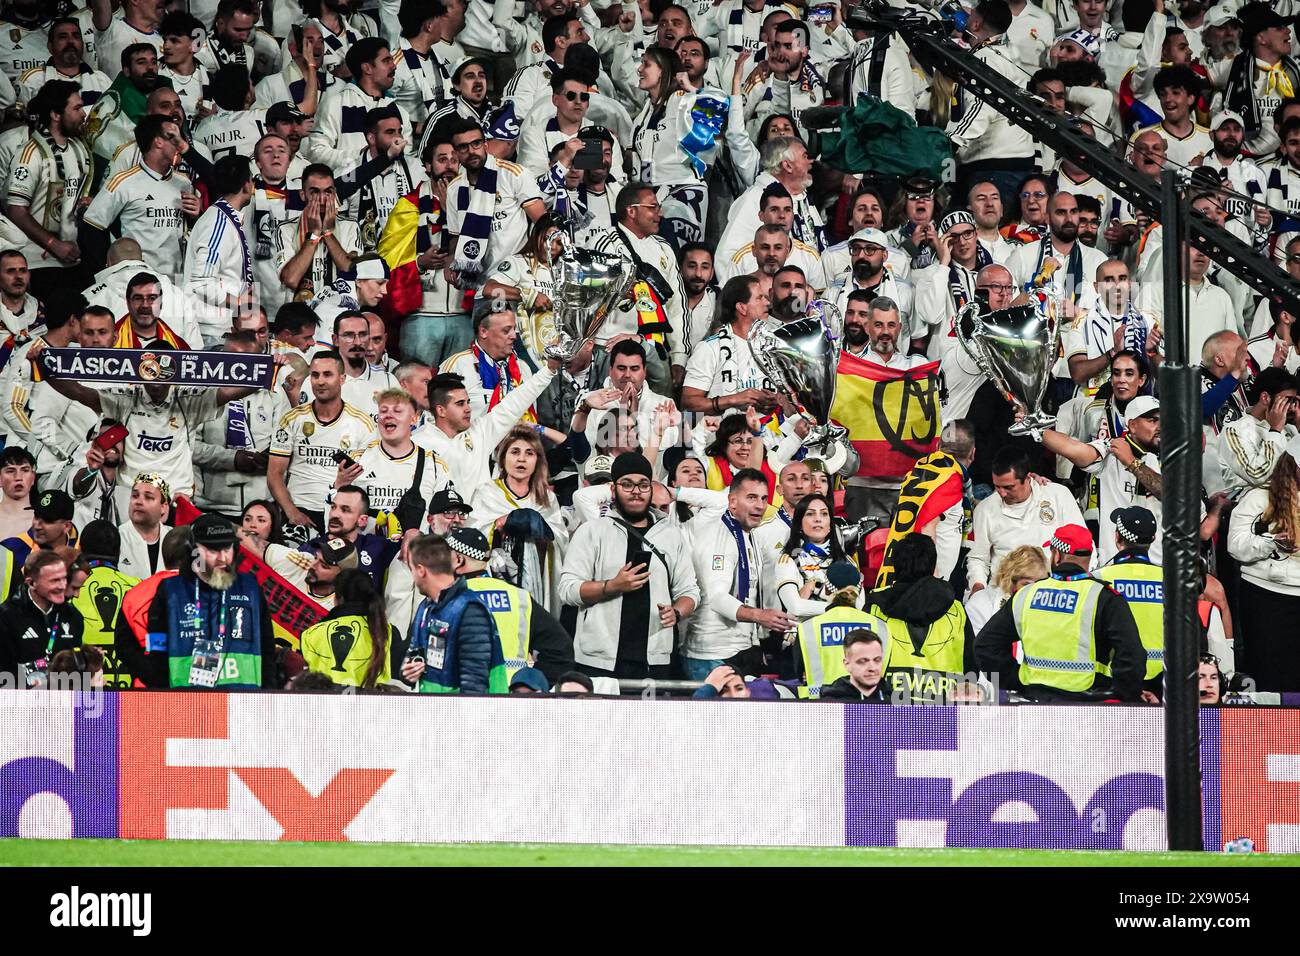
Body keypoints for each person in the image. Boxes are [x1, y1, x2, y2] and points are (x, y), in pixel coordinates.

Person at [560, 451, 698, 679]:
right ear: (613, 490)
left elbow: (690, 592)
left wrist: (677, 612)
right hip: (598, 661)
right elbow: (567, 590)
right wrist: (612, 586)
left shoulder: (671, 535)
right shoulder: (592, 531)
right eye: (627, 484)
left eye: (643, 485)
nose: (636, 491)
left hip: (656, 659)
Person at [975, 522, 1145, 702]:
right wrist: (1124, 694)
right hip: (1091, 703)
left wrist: (1016, 680)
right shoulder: (1105, 597)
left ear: (1056, 556)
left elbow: (985, 646)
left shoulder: (1026, 594)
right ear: (1088, 557)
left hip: (1036, 701)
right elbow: (1132, 656)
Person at [119, 513, 277, 689]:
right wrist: (161, 686)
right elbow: (154, 650)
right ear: (194, 552)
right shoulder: (170, 591)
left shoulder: (250, 587)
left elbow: (267, 648)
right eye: (212, 551)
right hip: (186, 705)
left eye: (227, 549)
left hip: (243, 704)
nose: (222, 558)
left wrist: (267, 692)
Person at [686, 467, 794, 678]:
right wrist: (761, 616)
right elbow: (717, 599)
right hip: (712, 654)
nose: (760, 506)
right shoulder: (720, 536)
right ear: (732, 501)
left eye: (764, 498)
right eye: (752, 497)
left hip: (741, 648)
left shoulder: (748, 532)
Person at [1038, 395, 1163, 566]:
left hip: (1159, 568)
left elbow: (1169, 494)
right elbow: (1073, 449)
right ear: (1133, 425)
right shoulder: (1112, 449)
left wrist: (1131, 462)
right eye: (1153, 421)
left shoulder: (1173, 457)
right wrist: (1037, 430)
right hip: (1115, 563)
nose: (1160, 427)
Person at [447, 525, 574, 684]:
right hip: (512, 699)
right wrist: (532, 685)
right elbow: (560, 651)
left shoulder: (446, 599)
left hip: (460, 696)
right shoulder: (519, 597)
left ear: (459, 560)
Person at [268, 350, 377, 531]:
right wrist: (292, 512)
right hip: (299, 510)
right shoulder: (291, 419)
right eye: (315, 375)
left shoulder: (363, 424)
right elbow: (274, 474)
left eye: (328, 374)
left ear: (342, 379)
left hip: (341, 511)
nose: (320, 381)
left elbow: (368, 480)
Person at [866, 533, 975, 705]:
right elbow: (972, 668)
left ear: (895, 566)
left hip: (887, 709)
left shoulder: (874, 607)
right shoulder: (957, 610)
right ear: (932, 566)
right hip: (944, 712)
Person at [1227, 439, 1300, 691]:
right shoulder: (1259, 497)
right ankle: (1267, 729)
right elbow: (1235, 545)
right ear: (1291, 466)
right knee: (1268, 672)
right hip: (1265, 595)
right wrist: (1272, 543)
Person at [966, 446, 1085, 592]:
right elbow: (978, 559)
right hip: (1004, 594)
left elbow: (1083, 544)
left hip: (1054, 590)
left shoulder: (1057, 495)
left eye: (1009, 487)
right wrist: (978, 587)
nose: (1002, 493)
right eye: (997, 486)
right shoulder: (985, 509)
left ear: (1028, 478)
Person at [402, 532, 505, 694]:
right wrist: (409, 672)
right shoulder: (426, 608)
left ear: (421, 570)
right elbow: (412, 657)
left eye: (412, 569)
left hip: (465, 716)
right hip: (434, 712)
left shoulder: (470, 610)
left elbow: (474, 687)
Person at [1093, 506, 1167, 697]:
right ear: (1153, 539)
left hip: (1115, 678)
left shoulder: (1098, 578)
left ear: (1117, 537)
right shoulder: (1171, 580)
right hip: (1164, 678)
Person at [793, 562, 891, 698]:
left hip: (820, 708)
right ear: (859, 590)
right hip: (866, 708)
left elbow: (799, 671)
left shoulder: (809, 627)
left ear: (827, 589)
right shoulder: (880, 626)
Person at [67, 519, 140, 688]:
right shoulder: (139, 587)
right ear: (119, 552)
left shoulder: (68, 588)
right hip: (132, 692)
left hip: (84, 689)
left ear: (80, 550)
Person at [299, 568, 398, 688]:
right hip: (373, 705)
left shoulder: (310, 634)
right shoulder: (388, 632)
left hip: (321, 705)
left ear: (338, 599)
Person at [0, 549, 83, 689]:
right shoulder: (7, 617)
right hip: (18, 705)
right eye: (54, 580)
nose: (62, 586)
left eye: (64, 578)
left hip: (63, 704)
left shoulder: (73, 617)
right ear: (32, 583)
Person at [1218, 365, 1297, 499]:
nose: (1292, 407)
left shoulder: (1290, 427)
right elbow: (1257, 474)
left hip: (1289, 505)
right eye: (1287, 400)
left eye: (1294, 401)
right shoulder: (1234, 430)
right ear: (1265, 398)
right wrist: (1275, 431)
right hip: (1252, 509)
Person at [964, 544, 1049, 635]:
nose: (1034, 591)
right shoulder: (979, 605)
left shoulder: (1050, 608)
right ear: (1010, 581)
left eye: (1040, 584)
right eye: (1027, 584)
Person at [117, 473, 171, 579]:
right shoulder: (116, 538)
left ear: (163, 507)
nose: (139, 501)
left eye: (148, 497)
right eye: (135, 496)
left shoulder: (175, 540)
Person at [818, 629, 891, 702]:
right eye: (863, 661)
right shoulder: (829, 705)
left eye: (877, 660)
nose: (872, 668)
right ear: (847, 665)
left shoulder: (896, 702)